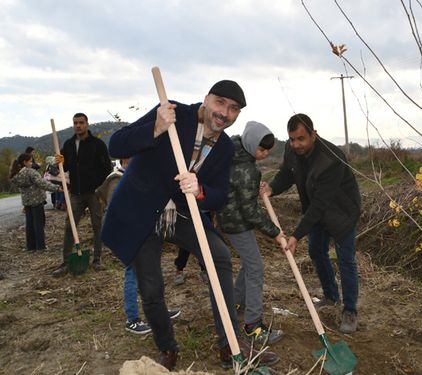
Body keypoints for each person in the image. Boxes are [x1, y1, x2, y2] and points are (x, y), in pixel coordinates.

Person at [101, 80, 278, 370]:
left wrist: (200, 191)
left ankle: (230, 343)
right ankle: (167, 347)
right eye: (220, 103)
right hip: (142, 210)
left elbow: (219, 195)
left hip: (181, 213)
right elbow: (115, 145)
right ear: (206, 99)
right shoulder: (172, 114)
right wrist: (155, 128)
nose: (225, 112)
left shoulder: (224, 149)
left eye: (233, 109)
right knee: (151, 287)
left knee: (219, 255)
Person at [262, 113, 361, 334]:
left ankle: (350, 311)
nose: (296, 144)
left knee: (346, 260)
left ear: (313, 134)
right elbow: (287, 173)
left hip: (342, 212)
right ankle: (331, 296)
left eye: (301, 139)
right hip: (317, 210)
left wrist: (296, 235)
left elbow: (320, 204)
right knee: (316, 252)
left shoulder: (331, 159)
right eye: (292, 139)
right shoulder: (292, 150)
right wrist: (272, 188)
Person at [217, 121, 286, 345]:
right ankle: (253, 325)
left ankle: (236, 301)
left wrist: (251, 188)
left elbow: (239, 189)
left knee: (250, 262)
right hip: (237, 223)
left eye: (268, 150)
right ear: (250, 143)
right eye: (262, 149)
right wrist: (275, 232)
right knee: (256, 267)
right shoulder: (247, 169)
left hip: (227, 217)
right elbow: (251, 212)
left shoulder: (233, 152)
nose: (264, 154)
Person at [95, 158, 181, 335]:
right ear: (125, 160)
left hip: (145, 233)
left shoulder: (137, 176)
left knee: (153, 274)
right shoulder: (116, 179)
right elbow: (118, 211)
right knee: (132, 275)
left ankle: (158, 311)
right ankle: (132, 319)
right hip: (128, 235)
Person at [52, 113, 112, 276]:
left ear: (87, 124)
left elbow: (108, 169)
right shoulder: (69, 144)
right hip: (76, 193)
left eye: (81, 122)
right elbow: (62, 168)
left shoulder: (97, 144)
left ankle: (97, 259)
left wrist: (100, 188)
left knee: (97, 226)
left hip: (94, 193)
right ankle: (65, 262)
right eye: (75, 123)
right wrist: (58, 162)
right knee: (69, 227)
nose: (78, 125)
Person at [9, 153, 62, 251]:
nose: (31, 163)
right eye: (30, 161)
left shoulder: (16, 174)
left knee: (30, 225)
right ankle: (40, 247)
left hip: (27, 202)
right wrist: (57, 188)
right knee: (39, 224)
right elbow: (42, 184)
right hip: (37, 200)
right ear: (25, 162)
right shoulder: (31, 172)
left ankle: (30, 246)